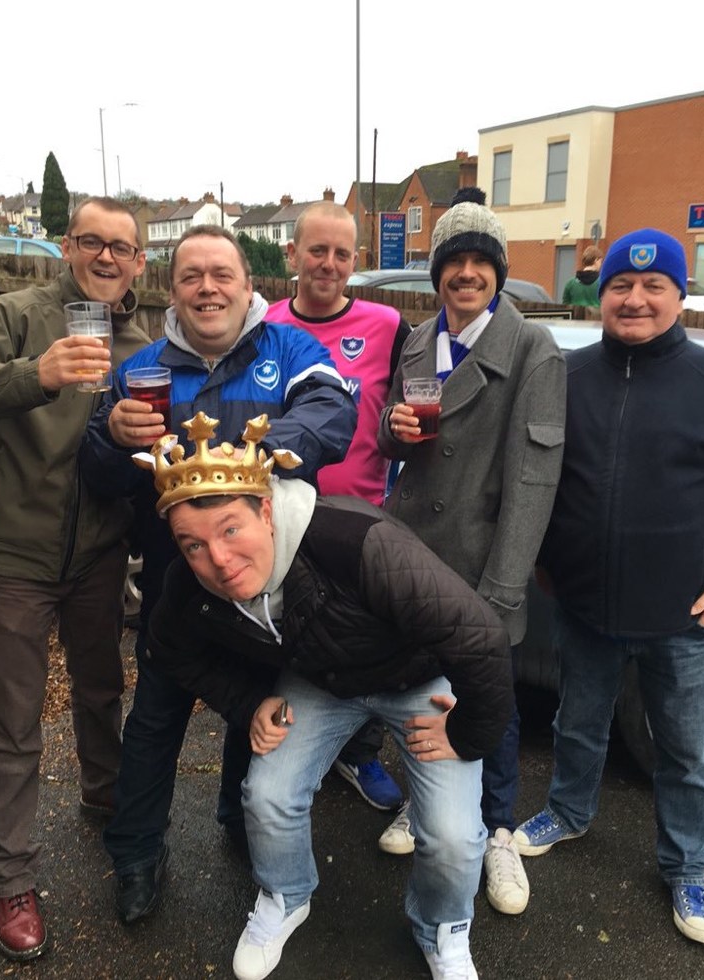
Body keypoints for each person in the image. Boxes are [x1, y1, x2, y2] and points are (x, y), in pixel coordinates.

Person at [136, 411, 514, 980]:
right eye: (193, 545)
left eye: (231, 530)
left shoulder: (358, 542)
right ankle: (285, 895)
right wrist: (247, 702)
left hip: (415, 681)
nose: (217, 560)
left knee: (453, 837)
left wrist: (466, 734)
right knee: (267, 795)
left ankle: (443, 927)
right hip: (322, 681)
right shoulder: (190, 584)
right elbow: (168, 649)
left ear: (266, 510)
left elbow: (481, 639)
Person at [79, 224, 356, 925]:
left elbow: (334, 410)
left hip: (264, 587)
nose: (208, 288)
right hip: (175, 587)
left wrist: (251, 457)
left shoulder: (288, 349)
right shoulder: (141, 368)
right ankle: (137, 854)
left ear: (248, 284)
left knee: (251, 711)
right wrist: (111, 437)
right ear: (172, 290)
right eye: (191, 276)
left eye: (221, 274)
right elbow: (100, 474)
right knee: (155, 721)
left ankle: (239, 820)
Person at [0, 197, 150, 960]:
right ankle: (12, 878)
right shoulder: (15, 315)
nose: (106, 257)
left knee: (102, 691)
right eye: (91, 241)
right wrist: (32, 376)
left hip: (99, 555)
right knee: (14, 721)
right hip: (13, 555)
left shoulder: (142, 343)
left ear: (139, 263)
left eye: (121, 248)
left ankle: (107, 802)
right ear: (67, 247)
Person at [376, 187, 566, 917]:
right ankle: (425, 800)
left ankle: (497, 829)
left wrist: (504, 589)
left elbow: (534, 479)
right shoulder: (419, 340)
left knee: (493, 702)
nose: (465, 273)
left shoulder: (532, 349)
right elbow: (393, 438)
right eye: (452, 261)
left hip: (484, 560)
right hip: (414, 551)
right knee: (417, 687)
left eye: (480, 261)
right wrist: (393, 429)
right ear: (438, 275)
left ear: (498, 272)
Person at [514, 229, 704, 945]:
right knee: (577, 723)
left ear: (679, 296)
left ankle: (689, 864)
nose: (635, 299)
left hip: (679, 613)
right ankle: (568, 812)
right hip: (583, 600)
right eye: (622, 285)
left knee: (685, 752)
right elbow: (542, 477)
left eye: (655, 287)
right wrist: (544, 556)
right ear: (603, 295)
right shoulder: (569, 376)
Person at [267, 200, 411, 811]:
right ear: (293, 254)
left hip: (360, 520)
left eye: (342, 254)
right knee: (286, 640)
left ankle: (359, 752)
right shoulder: (264, 323)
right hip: (280, 518)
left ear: (357, 260)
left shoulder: (389, 325)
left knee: (366, 640)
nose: (328, 264)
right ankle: (285, 746)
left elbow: (411, 406)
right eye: (317, 250)